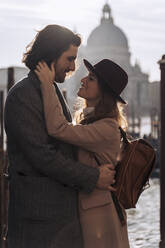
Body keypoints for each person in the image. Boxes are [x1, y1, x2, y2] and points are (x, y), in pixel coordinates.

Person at [4, 25, 116, 248]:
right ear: (51, 55)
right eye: (70, 58)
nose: (73, 67)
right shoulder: (23, 96)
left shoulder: (49, 90)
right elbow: (44, 157)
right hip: (38, 220)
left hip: (59, 218)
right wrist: (93, 177)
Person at [34, 58, 130, 248]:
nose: (83, 79)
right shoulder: (92, 122)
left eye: (92, 78)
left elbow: (58, 129)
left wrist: (47, 86)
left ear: (104, 93)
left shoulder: (106, 128)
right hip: (91, 213)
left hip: (100, 217)